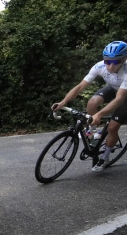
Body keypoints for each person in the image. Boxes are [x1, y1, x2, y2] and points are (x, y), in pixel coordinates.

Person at [52, 41, 127, 172]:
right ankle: (91, 131)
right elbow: (81, 86)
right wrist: (63, 102)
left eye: (114, 62)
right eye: (106, 61)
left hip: (125, 96)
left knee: (113, 127)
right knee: (92, 103)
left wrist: (99, 114)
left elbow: (120, 98)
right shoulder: (99, 66)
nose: (109, 66)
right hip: (113, 88)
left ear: (124, 59)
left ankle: (105, 157)